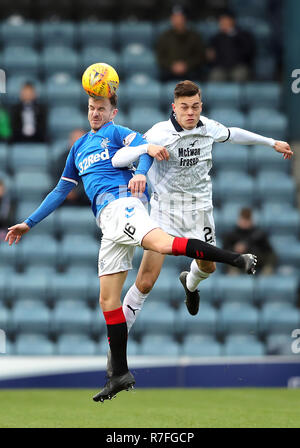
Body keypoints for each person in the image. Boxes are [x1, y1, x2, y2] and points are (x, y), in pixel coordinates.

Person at [5, 93, 257, 402]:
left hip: (123, 206)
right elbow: (61, 189)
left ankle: (236, 258)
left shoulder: (116, 132)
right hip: (107, 223)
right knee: (108, 300)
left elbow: (146, 149)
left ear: (113, 112)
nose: (95, 113)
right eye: (91, 108)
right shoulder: (78, 147)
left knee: (163, 244)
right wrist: (29, 222)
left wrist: (139, 172)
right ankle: (119, 374)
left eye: (101, 109)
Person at [111, 80, 292, 356]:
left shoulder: (208, 127)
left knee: (208, 268)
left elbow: (234, 134)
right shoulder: (159, 132)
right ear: (174, 107)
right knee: (146, 281)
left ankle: (190, 283)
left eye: (195, 106)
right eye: (184, 107)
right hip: (165, 212)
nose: (190, 112)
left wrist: (271, 143)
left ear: (200, 106)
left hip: (200, 211)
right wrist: (143, 151)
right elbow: (120, 158)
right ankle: (116, 352)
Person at [155, 5, 205, 81]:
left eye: (180, 17)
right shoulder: (164, 36)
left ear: (185, 18)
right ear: (171, 19)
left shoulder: (194, 36)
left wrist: (186, 65)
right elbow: (160, 57)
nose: (178, 20)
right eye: (175, 17)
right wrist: (172, 65)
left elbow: (200, 56)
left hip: (190, 71)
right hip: (169, 71)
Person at [223, 207, 277, 275]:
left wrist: (248, 247)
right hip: (238, 262)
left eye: (247, 219)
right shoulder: (231, 235)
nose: (245, 222)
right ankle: (234, 280)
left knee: (271, 256)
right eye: (243, 219)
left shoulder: (259, 233)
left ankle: (266, 276)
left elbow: (268, 250)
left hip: (257, 262)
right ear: (239, 219)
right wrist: (235, 249)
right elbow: (224, 251)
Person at [206, 11, 256, 82]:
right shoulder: (216, 38)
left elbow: (249, 53)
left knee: (239, 74)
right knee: (216, 75)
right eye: (221, 21)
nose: (222, 23)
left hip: (238, 66)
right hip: (221, 67)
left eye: (224, 20)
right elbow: (211, 56)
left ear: (232, 21)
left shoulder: (244, 35)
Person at [51, 128, 90, 207]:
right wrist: (67, 190)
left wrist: (77, 192)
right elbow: (56, 175)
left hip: (84, 194)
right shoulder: (62, 158)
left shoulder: (94, 157)